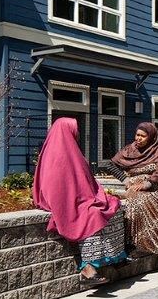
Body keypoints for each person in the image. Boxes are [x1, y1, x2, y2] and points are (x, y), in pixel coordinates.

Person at [32, 117, 126, 286]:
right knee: (92, 216)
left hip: (80, 197)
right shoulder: (57, 153)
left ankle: (114, 257)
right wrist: (84, 199)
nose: (77, 133)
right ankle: (88, 269)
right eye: (74, 130)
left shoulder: (70, 150)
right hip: (65, 201)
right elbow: (55, 187)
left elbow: (83, 180)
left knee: (115, 208)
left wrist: (90, 196)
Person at [111, 122, 158, 275]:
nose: (138, 138)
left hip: (155, 188)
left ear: (150, 137)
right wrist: (125, 180)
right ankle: (133, 246)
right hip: (134, 188)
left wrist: (148, 183)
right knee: (134, 201)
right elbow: (110, 164)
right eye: (137, 135)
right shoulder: (129, 149)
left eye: (142, 136)